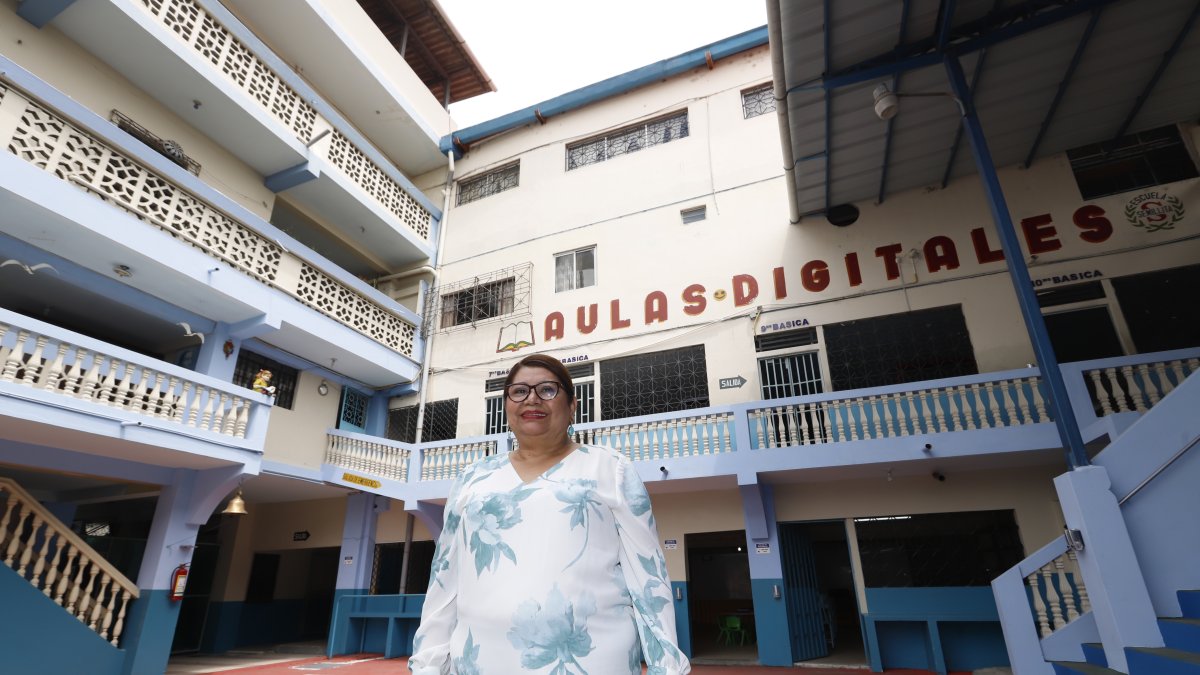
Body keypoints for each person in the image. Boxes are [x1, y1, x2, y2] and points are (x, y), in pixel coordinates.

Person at [409, 353, 690, 674]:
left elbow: (647, 576)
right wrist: (428, 663)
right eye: (519, 391)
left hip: (592, 663)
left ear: (572, 407)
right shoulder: (472, 478)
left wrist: (666, 666)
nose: (532, 399)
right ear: (507, 407)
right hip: (479, 663)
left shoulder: (611, 469)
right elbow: (445, 580)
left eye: (547, 389)